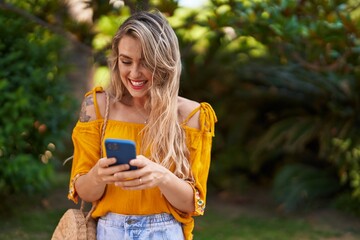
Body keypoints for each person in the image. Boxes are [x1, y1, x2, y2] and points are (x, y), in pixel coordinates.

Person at [68, 10, 217, 240]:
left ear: (164, 63)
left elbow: (193, 204)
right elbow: (84, 192)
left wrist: (162, 177)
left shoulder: (191, 115)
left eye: (145, 63)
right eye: (126, 61)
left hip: (164, 232)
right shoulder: (97, 107)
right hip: (108, 231)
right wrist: (98, 175)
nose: (134, 73)